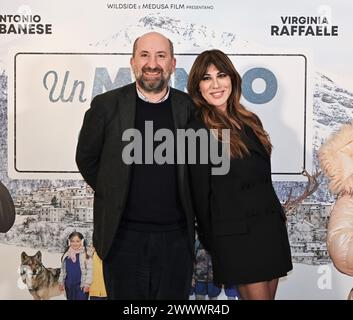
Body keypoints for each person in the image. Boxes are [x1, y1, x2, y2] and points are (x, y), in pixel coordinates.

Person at [75, 32, 195, 299]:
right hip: (122, 239)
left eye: (160, 56)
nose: (152, 64)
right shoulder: (107, 105)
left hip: (176, 241)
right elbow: (86, 158)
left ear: (172, 63)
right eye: (145, 55)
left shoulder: (187, 107)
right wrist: (114, 189)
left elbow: (198, 166)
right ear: (132, 62)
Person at [186, 49, 293, 300]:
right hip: (236, 236)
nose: (215, 84)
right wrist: (215, 241)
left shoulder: (249, 120)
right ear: (198, 87)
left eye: (221, 75)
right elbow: (200, 195)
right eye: (206, 78)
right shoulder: (197, 130)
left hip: (269, 229)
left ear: (232, 79)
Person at [58, 231, 92, 300]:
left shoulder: (86, 254)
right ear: (69, 242)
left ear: (82, 242)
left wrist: (87, 284)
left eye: (77, 241)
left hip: (81, 287)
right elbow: (63, 270)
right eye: (72, 241)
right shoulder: (66, 255)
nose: (75, 243)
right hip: (69, 286)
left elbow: (90, 270)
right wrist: (61, 282)